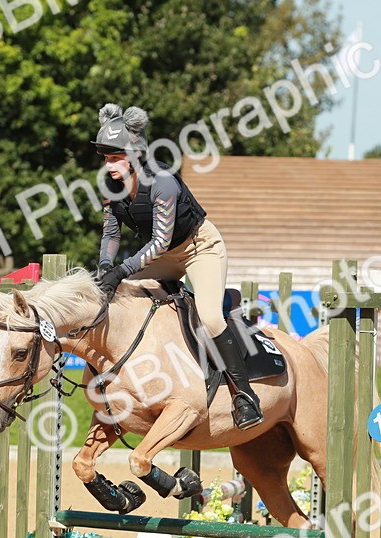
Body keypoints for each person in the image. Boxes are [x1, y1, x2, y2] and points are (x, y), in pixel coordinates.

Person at [92, 103, 263, 430]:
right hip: (161, 255)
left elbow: (159, 240)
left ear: (136, 154)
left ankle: (245, 395)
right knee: (124, 302)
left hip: (200, 249)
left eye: (115, 157)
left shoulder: (163, 182)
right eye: (106, 157)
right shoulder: (111, 188)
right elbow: (111, 232)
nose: (109, 164)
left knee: (211, 317)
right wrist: (104, 266)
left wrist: (121, 270)